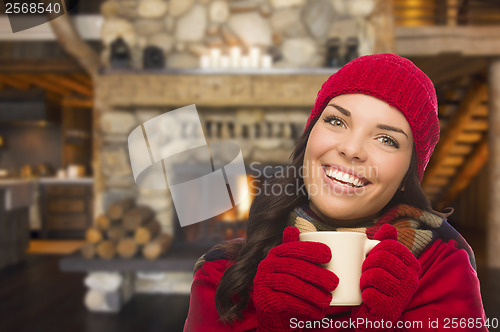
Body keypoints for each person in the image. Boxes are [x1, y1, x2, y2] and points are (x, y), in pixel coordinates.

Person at [183, 53, 488, 331]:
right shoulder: (222, 271)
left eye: (386, 140)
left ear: (408, 176)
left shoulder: (441, 266)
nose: (352, 149)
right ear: (310, 135)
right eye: (336, 120)